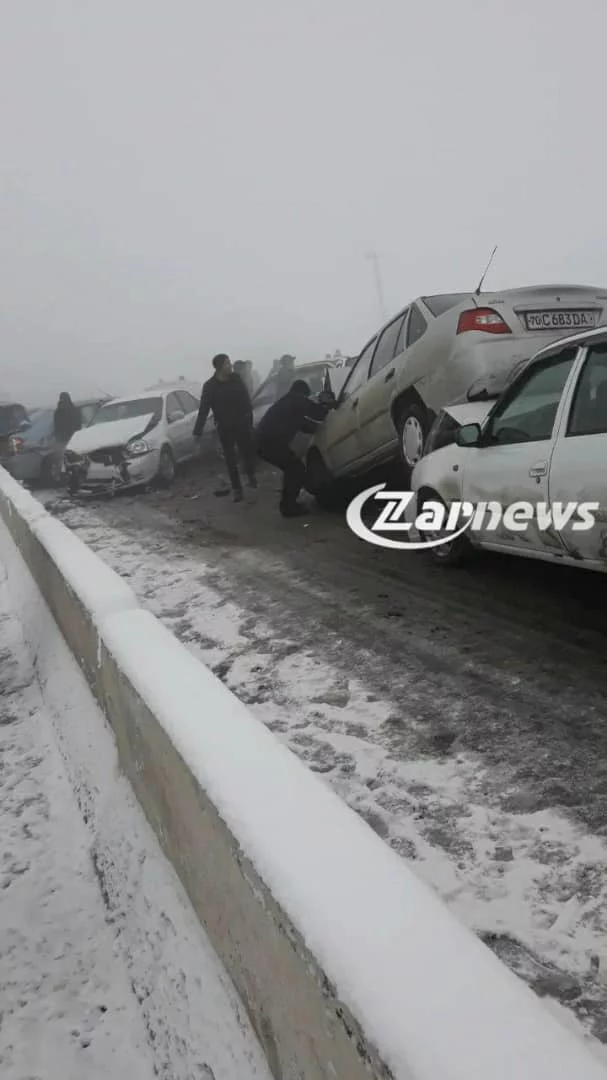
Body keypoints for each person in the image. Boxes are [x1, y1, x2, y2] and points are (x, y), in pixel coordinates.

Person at [255, 379, 332, 518]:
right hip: (269, 443)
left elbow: (304, 424)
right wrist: (330, 406)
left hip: (265, 443)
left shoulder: (288, 403)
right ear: (302, 393)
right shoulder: (295, 399)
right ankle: (289, 508)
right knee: (295, 469)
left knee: (293, 469)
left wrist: (319, 429)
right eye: (306, 397)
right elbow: (317, 412)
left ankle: (288, 505)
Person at [194, 354, 257, 502]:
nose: (230, 366)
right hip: (224, 427)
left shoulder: (236, 379)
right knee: (230, 459)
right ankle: (237, 489)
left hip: (242, 423)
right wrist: (197, 431)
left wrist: (250, 420)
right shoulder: (210, 386)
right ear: (220, 367)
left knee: (247, 451)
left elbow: (246, 400)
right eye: (227, 363)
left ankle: (250, 474)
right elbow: (204, 409)